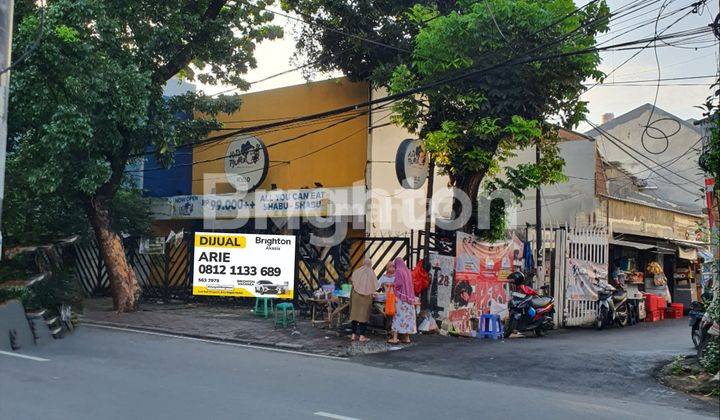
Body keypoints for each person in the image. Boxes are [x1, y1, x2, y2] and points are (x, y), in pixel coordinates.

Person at [389, 257, 417, 344]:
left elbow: (398, 284)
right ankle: (407, 338)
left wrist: (392, 285)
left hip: (401, 299)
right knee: (407, 317)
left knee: (398, 317)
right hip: (409, 298)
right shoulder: (408, 271)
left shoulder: (398, 271)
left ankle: (394, 338)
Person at [349, 258, 378, 342]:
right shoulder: (371, 273)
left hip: (355, 297)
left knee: (354, 316)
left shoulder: (357, 271)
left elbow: (353, 282)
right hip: (366, 298)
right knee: (363, 317)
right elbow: (374, 287)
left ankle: (353, 335)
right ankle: (362, 336)